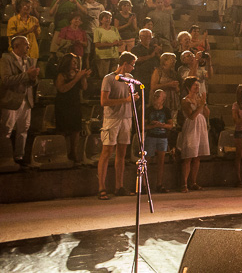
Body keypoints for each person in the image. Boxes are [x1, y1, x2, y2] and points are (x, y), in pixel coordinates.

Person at [97, 52, 138, 200]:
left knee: (122, 153)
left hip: (126, 118)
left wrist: (132, 99)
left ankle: (119, 186)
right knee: (107, 152)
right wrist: (126, 100)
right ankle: (101, 187)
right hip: (112, 119)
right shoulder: (108, 79)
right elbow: (104, 101)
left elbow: (129, 97)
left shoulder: (129, 78)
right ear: (125, 64)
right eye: (132, 64)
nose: (133, 68)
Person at [0, 36, 39, 167]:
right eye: (25, 44)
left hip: (26, 100)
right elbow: (6, 80)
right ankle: (4, 157)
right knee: (7, 130)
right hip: (11, 100)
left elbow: (33, 82)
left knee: (24, 129)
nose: (28, 47)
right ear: (16, 46)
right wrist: (27, 75)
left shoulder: (29, 60)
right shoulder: (6, 59)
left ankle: (19, 156)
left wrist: (33, 78)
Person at [55, 53, 90, 162]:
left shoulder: (77, 73)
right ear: (68, 63)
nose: (76, 64)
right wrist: (77, 78)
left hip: (75, 103)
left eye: (76, 62)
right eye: (73, 62)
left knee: (76, 129)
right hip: (63, 104)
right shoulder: (61, 74)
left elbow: (84, 87)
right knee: (63, 129)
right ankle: (61, 152)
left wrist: (83, 77)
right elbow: (62, 89)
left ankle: (73, 153)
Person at [178, 76, 210, 192]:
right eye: (194, 85)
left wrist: (203, 103)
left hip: (201, 125)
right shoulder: (185, 100)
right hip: (191, 126)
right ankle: (184, 184)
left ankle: (193, 182)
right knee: (189, 156)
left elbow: (207, 113)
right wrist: (200, 105)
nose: (197, 87)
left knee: (197, 157)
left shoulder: (200, 98)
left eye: (198, 85)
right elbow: (191, 116)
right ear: (188, 87)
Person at [144, 89, 173, 193]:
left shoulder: (166, 111)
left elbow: (170, 125)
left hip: (162, 137)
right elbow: (144, 126)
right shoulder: (148, 110)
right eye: (154, 96)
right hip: (151, 137)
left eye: (157, 96)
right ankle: (144, 185)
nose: (155, 98)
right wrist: (153, 125)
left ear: (163, 99)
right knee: (147, 160)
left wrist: (162, 125)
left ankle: (159, 184)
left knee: (161, 161)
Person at [94, 11, 122, 78]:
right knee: (104, 76)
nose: (108, 19)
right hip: (103, 57)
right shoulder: (98, 30)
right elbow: (97, 44)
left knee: (114, 76)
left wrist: (118, 43)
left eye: (110, 18)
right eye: (106, 18)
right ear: (101, 20)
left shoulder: (114, 29)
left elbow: (120, 41)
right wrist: (111, 44)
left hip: (114, 56)